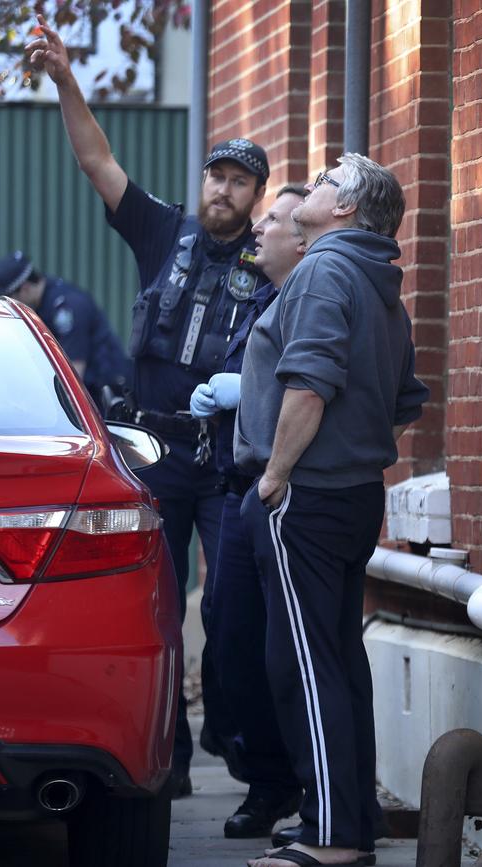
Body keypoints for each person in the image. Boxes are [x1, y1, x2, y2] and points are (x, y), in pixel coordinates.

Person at [26, 16, 269, 798]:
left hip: (227, 462)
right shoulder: (165, 231)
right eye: (215, 176)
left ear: (256, 196)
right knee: (154, 609)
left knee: (231, 615)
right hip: (157, 456)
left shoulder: (273, 263)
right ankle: (166, 757)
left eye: (237, 181)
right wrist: (67, 80)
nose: (221, 190)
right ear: (202, 183)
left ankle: (240, 750)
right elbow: (97, 160)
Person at [235, 154, 430, 867]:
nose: (307, 189)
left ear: (345, 208)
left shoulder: (324, 268)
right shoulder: (382, 282)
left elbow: (310, 383)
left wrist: (276, 476)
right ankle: (347, 821)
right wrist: (353, 450)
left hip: (304, 494)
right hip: (352, 496)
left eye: (321, 181)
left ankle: (331, 838)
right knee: (338, 661)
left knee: (306, 666)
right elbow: (403, 399)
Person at [190, 185, 307, 839]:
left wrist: (274, 475)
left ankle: (298, 786)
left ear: (303, 236)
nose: (256, 229)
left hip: (280, 490)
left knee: (289, 649)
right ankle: (265, 779)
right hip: (244, 490)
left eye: (271, 218)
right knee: (233, 641)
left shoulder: (312, 295)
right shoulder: (261, 297)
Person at [0, 251, 132, 405]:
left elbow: (73, 377)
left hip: (105, 400)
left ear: (25, 288)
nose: (10, 306)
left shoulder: (68, 307)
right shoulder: (41, 304)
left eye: (10, 298)